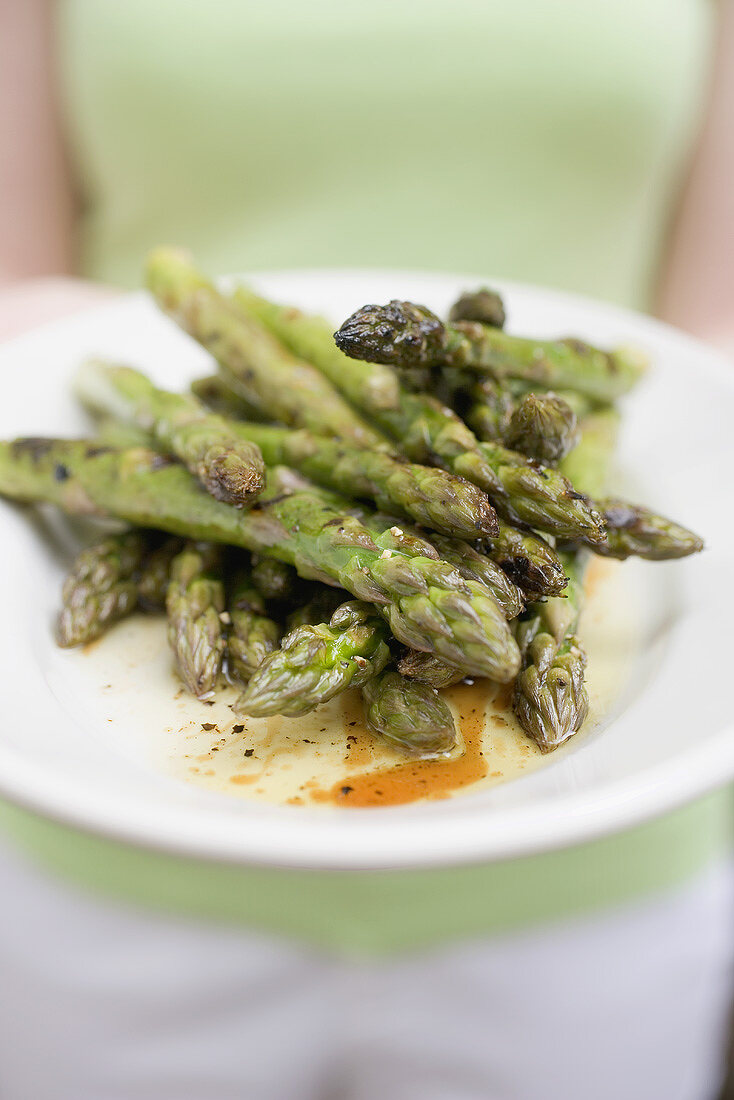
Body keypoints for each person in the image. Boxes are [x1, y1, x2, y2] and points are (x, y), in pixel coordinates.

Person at [0, 2, 732, 1098]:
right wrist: (41, 325)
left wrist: (539, 480)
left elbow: (709, 345)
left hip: (590, 880)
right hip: (106, 880)